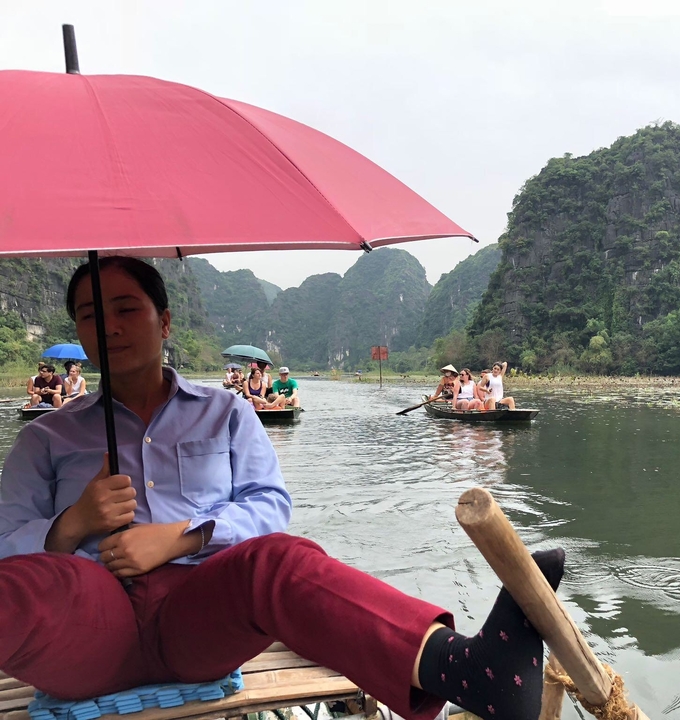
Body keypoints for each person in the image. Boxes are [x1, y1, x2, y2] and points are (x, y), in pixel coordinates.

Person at [0, 257, 563, 720]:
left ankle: (470, 670)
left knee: (276, 561)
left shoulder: (226, 414)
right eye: (90, 315)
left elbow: (271, 507)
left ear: (165, 321)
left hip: (201, 615)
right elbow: (6, 544)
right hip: (83, 626)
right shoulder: (48, 435)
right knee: (36, 584)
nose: (110, 327)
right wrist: (71, 526)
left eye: (126, 309)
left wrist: (182, 539)